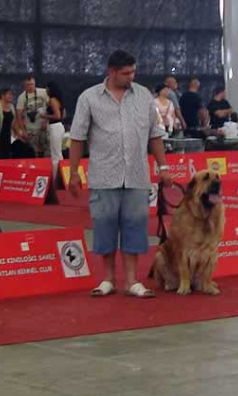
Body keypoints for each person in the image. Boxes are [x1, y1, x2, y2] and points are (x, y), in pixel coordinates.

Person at [69, 49, 171, 299]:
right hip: (103, 175)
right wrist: (73, 172)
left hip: (137, 175)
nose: (131, 76)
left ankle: (132, 281)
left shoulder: (144, 95)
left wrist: (164, 167)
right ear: (111, 72)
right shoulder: (89, 98)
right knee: (104, 226)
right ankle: (107, 279)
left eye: (133, 71)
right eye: (126, 73)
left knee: (135, 226)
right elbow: (77, 137)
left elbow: (155, 134)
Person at [16, 76, 49, 157]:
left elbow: (51, 106)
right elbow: (19, 115)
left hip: (45, 127)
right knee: (34, 151)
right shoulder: (22, 97)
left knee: (47, 150)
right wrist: (23, 130)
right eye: (28, 85)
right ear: (25, 86)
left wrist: (46, 120)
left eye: (32, 84)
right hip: (31, 129)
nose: (30, 87)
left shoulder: (43, 92)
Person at [40, 81, 66, 179]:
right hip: (60, 126)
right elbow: (63, 115)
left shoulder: (52, 100)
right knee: (58, 153)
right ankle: (60, 175)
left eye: (46, 88)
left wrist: (44, 115)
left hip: (55, 126)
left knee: (56, 154)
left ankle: (56, 178)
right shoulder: (59, 100)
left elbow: (57, 115)